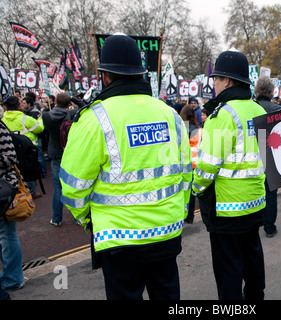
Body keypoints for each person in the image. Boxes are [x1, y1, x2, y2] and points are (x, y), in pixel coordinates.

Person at [59, 34, 192, 300]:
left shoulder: (93, 119)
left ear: (105, 76)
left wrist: (88, 219)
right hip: (166, 232)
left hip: (119, 239)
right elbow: (185, 174)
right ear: (140, 74)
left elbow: (74, 188)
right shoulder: (168, 114)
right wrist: (179, 211)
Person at [193, 50, 267, 300]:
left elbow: (207, 166)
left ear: (226, 80)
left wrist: (196, 188)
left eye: (215, 79)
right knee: (252, 257)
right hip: (255, 201)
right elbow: (266, 156)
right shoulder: (257, 109)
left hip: (227, 207)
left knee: (228, 271)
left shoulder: (222, 114)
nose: (213, 84)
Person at [254, 76, 281, 237]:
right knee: (271, 193)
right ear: (272, 91)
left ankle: (257, 221)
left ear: (257, 91)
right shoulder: (279, 109)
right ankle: (269, 227)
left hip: (256, 155)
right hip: (274, 154)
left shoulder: (253, 107)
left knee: (256, 190)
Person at [0, 117, 25, 293]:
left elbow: (10, 157)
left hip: (4, 189)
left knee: (7, 235)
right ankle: (11, 274)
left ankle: (13, 278)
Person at [2, 96, 44, 199]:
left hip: (10, 149)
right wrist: (40, 119)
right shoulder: (25, 119)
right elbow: (39, 129)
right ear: (18, 106)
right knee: (29, 170)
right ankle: (31, 192)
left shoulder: (2, 119)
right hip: (27, 149)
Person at [42, 93, 73, 227]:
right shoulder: (71, 115)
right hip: (69, 152)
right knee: (74, 185)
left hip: (55, 152)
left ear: (55, 102)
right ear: (68, 104)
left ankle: (56, 218)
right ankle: (79, 217)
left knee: (58, 187)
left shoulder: (46, 116)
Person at [180, 104, 202, 224]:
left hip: (183, 164)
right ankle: (190, 216)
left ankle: (182, 214)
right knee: (192, 193)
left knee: (181, 190)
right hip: (195, 165)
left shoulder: (180, 129)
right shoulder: (199, 131)